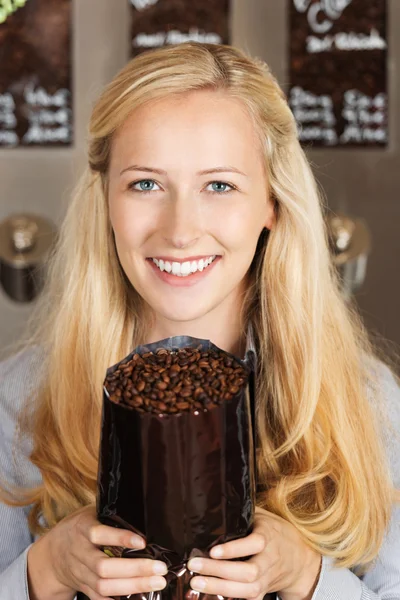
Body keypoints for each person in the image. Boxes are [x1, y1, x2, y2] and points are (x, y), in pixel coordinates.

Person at [0, 41, 399, 600]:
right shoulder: (18, 400)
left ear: (272, 204)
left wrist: (308, 578)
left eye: (219, 185)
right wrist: (42, 573)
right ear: (106, 201)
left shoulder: (369, 405)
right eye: (145, 183)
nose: (181, 229)